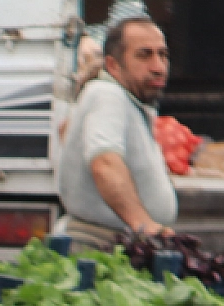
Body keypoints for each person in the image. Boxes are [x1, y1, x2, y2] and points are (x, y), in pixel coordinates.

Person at [54, 16, 176, 251]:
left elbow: (65, 130)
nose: (158, 67)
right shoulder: (107, 95)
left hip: (117, 246)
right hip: (96, 248)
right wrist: (144, 224)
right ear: (113, 65)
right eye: (144, 55)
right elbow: (105, 163)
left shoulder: (123, 100)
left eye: (163, 55)